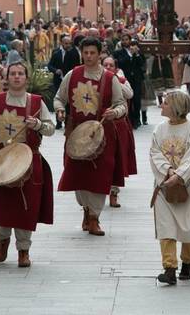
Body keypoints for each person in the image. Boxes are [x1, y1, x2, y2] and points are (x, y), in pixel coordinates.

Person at [0, 61, 54, 267]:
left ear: (26, 79)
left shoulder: (36, 102)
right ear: (7, 78)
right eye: (13, 74)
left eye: (20, 74)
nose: (17, 77)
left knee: (25, 206)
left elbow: (50, 128)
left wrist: (37, 124)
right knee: (1, 204)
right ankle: (2, 239)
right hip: (1, 162)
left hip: (28, 162)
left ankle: (23, 249)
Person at [55, 37, 127, 236]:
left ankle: (95, 217)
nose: (88, 56)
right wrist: (60, 110)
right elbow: (59, 98)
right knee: (79, 175)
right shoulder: (72, 75)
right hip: (77, 134)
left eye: (92, 53)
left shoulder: (110, 78)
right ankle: (86, 209)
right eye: (85, 52)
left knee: (100, 176)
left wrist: (116, 112)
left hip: (102, 134)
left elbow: (122, 104)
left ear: (99, 53)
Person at [150, 90, 190, 285]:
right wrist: (168, 172)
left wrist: (178, 176)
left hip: (187, 185)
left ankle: (186, 263)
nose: (162, 105)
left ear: (176, 108)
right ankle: (169, 268)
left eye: (166, 103)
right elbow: (154, 153)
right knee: (165, 227)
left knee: (188, 227)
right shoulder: (159, 129)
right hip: (164, 185)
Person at [102, 56, 137, 208]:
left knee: (117, 160)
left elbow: (130, 94)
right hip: (101, 124)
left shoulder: (122, 81)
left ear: (115, 67)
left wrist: (115, 80)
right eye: (105, 65)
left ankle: (114, 193)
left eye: (111, 65)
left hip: (119, 124)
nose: (108, 67)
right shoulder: (97, 81)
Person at [113, 36, 145, 129]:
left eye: (126, 39)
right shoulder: (118, 53)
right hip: (126, 79)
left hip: (136, 79)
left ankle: (137, 119)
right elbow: (121, 63)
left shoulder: (137, 51)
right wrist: (130, 54)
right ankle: (130, 120)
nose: (125, 41)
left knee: (137, 99)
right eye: (123, 39)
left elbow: (141, 63)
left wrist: (137, 54)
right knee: (128, 100)